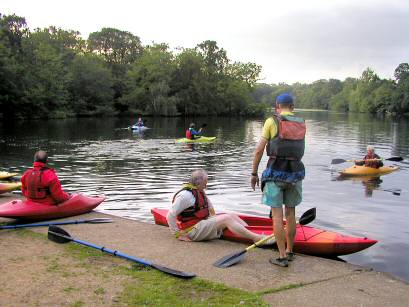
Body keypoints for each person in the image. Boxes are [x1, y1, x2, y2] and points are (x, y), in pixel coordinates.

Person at [251, 93, 306, 267]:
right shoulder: (301, 122)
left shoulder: (271, 121)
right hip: (296, 174)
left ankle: (281, 256)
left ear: (277, 106)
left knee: (277, 216)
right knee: (291, 214)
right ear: (293, 106)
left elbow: (259, 150)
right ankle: (290, 251)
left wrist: (254, 173)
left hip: (276, 172)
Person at [167, 169, 274, 244]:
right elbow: (170, 215)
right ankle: (257, 239)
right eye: (205, 182)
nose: (206, 184)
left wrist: (216, 221)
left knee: (231, 215)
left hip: (201, 224)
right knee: (226, 219)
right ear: (198, 183)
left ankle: (252, 233)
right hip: (190, 231)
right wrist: (177, 234)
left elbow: (210, 209)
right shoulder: (185, 196)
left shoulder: (199, 191)